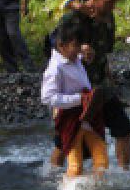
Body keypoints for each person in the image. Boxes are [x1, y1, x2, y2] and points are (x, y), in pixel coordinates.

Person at [53, 0, 130, 170]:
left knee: (123, 129)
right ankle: (52, 175)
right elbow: (54, 49)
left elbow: (104, 54)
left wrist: (111, 83)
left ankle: (126, 174)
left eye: (115, 2)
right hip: (77, 91)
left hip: (101, 88)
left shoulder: (108, 19)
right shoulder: (73, 19)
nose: (112, 7)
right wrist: (79, 50)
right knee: (67, 140)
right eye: (109, 2)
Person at [41, 17, 108, 179]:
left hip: (88, 116)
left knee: (102, 160)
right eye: (75, 46)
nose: (79, 49)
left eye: (79, 45)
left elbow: (81, 60)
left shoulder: (74, 59)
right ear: (61, 46)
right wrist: (80, 99)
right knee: (76, 165)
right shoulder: (55, 68)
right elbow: (48, 98)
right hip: (70, 119)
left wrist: (86, 56)